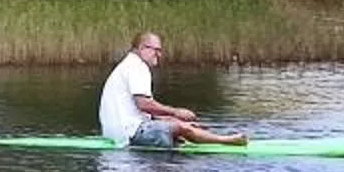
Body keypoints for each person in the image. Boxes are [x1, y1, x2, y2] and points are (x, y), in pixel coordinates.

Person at [100, 32, 247, 148]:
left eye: (160, 50)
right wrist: (176, 112)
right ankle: (227, 141)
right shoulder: (137, 67)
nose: (159, 54)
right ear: (142, 48)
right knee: (182, 128)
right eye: (156, 50)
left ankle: (199, 137)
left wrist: (174, 120)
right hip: (130, 134)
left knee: (180, 126)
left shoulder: (127, 65)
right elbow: (144, 104)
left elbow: (142, 114)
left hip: (117, 133)